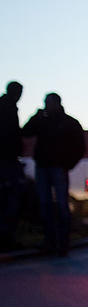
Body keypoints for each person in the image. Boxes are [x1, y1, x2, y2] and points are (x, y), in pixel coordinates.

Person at [22, 92, 85, 257]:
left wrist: (67, 165)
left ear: (56, 104)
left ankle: (62, 243)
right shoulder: (43, 121)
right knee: (45, 205)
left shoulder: (68, 123)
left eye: (48, 103)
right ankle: (51, 241)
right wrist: (35, 117)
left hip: (57, 168)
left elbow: (79, 146)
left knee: (61, 205)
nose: (46, 106)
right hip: (44, 166)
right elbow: (26, 132)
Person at [0, 81, 23, 251]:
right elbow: (11, 134)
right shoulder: (8, 108)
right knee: (11, 197)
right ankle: (6, 237)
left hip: (7, 158)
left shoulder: (6, 106)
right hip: (7, 159)